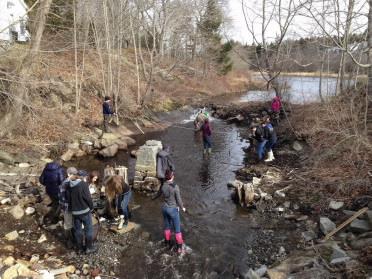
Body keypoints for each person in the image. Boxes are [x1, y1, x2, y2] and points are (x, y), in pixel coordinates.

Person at [66, 170, 96, 254]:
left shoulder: (69, 185)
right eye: (86, 177)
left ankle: (79, 248)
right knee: (88, 229)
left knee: (77, 230)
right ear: (83, 177)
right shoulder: (83, 184)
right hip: (85, 211)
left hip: (75, 213)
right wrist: (91, 208)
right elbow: (88, 198)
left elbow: (68, 199)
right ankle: (89, 247)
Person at [161, 170, 186, 253]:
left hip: (164, 208)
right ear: (172, 177)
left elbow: (161, 195)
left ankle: (167, 243)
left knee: (167, 227)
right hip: (172, 209)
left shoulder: (163, 185)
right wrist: (182, 207)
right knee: (177, 229)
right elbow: (178, 199)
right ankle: (179, 248)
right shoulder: (175, 186)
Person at [39, 160, 65, 224]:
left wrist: (47, 184)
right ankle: (54, 218)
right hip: (57, 189)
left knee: (54, 199)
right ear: (59, 163)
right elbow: (62, 181)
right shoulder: (60, 169)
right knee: (59, 203)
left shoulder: (46, 168)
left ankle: (53, 205)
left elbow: (41, 180)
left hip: (48, 189)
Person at [59, 167, 78, 249]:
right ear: (69, 174)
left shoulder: (67, 183)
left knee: (70, 224)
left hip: (70, 207)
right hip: (70, 208)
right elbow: (62, 198)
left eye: (75, 174)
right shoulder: (66, 184)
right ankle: (69, 240)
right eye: (73, 174)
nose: (74, 176)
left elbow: (61, 198)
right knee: (69, 224)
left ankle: (72, 239)